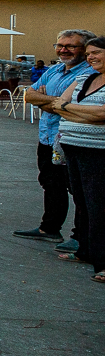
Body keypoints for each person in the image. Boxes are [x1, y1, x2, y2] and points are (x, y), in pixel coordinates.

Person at [16, 30, 96, 247]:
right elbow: (29, 95)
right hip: (47, 137)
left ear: (85, 49)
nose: (63, 50)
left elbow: (75, 106)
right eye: (60, 45)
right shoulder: (54, 71)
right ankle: (49, 228)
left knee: (78, 189)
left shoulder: (90, 73)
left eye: (71, 46)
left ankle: (81, 237)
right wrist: (56, 102)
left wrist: (46, 100)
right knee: (50, 183)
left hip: (71, 138)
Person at [44, 36, 105, 284]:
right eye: (88, 53)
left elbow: (102, 113)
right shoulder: (85, 77)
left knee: (100, 206)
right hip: (73, 147)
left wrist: (71, 109)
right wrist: (76, 111)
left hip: (98, 151)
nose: (90, 57)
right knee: (83, 203)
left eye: (96, 52)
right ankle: (87, 251)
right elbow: (57, 104)